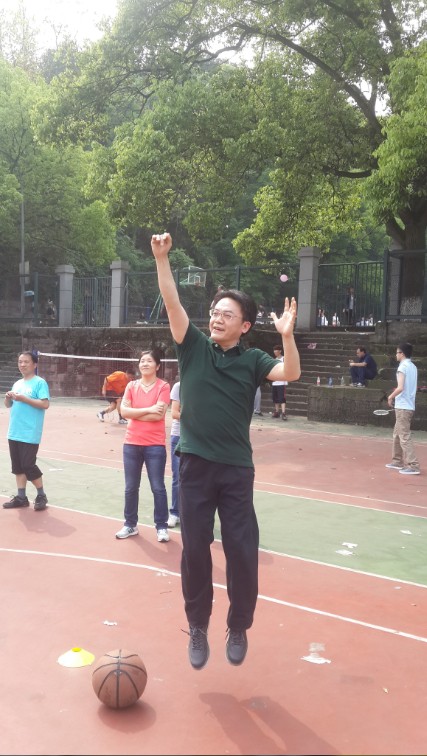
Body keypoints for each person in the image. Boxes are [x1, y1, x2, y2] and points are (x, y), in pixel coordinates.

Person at [151, 232, 301, 671]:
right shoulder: (193, 346)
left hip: (236, 470)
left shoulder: (253, 361)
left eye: (227, 314)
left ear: (245, 325)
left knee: (242, 550)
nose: (217, 318)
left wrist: (287, 336)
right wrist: (162, 258)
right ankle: (197, 625)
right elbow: (172, 302)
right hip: (195, 466)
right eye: (215, 312)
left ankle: (238, 625)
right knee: (195, 549)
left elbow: (290, 372)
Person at [115, 350, 171, 543]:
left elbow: (158, 415)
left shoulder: (163, 386)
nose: (145, 364)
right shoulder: (131, 385)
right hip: (131, 444)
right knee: (131, 487)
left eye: (149, 361)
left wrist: (135, 413)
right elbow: (124, 412)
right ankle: (130, 524)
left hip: (155, 445)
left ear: (157, 366)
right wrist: (148, 409)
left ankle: (161, 527)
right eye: (142, 361)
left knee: (158, 487)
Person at [3, 351, 50, 511]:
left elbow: (45, 404)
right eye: (20, 362)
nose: (22, 364)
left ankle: (41, 495)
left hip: (29, 432)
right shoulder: (17, 383)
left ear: (34, 364)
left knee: (28, 465)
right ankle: (21, 497)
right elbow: (9, 405)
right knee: (17, 467)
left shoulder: (40, 383)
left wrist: (24, 399)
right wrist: (8, 398)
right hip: (14, 432)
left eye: (26, 362)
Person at [385, 343, 420, 475]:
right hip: (407, 405)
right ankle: (397, 461)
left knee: (404, 436)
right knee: (397, 434)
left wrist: (390, 397)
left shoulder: (403, 367)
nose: (396, 355)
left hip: (403, 407)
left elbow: (400, 388)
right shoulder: (413, 367)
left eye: (397, 352)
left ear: (402, 354)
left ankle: (413, 465)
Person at [168, 378, 181, 527]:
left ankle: (189, 513)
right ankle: (175, 513)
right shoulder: (179, 386)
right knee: (178, 476)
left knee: (197, 478)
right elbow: (175, 413)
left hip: (199, 437)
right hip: (179, 436)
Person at [271, 344, 288, 420]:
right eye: (274, 351)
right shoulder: (274, 360)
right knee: (275, 398)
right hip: (275, 381)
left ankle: (283, 413)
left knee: (282, 398)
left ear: (280, 351)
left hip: (282, 382)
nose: (275, 352)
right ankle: (277, 412)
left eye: (276, 351)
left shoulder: (284, 359)